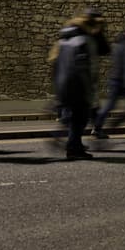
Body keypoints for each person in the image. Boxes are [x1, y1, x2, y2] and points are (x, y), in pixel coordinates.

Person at [50, 10, 103, 159]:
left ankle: (75, 145)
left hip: (64, 84)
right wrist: (88, 90)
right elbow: (83, 67)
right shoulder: (83, 41)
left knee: (74, 119)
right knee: (79, 120)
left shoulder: (63, 40)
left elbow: (56, 65)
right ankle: (73, 148)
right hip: (78, 86)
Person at [91, 24, 125, 139]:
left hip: (116, 78)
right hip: (123, 80)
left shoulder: (118, 43)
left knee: (124, 106)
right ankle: (100, 127)